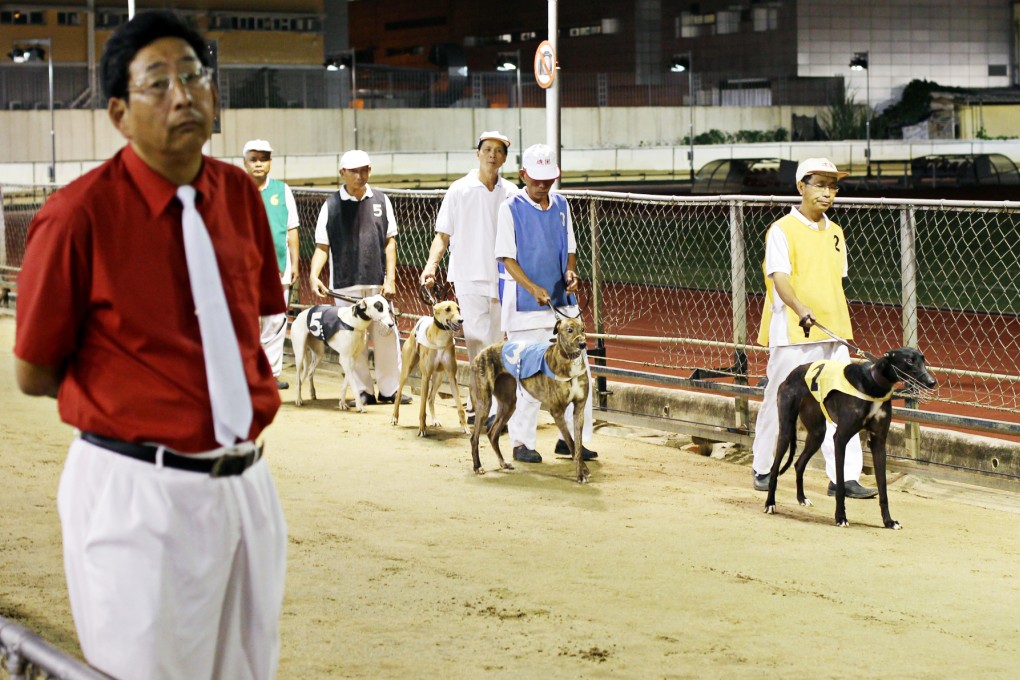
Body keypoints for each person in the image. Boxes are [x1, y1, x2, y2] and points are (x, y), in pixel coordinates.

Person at [13, 10, 287, 680]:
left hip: (247, 485)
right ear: (118, 113)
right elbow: (34, 369)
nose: (183, 96)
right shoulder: (77, 216)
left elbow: (250, 325)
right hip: (138, 490)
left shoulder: (239, 199)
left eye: (194, 77)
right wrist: (137, 398)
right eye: (158, 83)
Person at [751, 157, 877, 499]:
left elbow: (834, 282)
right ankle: (765, 467)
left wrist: (836, 322)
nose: (828, 193)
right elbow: (779, 278)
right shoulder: (781, 230)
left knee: (844, 403)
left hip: (833, 332)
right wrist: (799, 308)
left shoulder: (836, 232)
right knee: (782, 401)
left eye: (832, 186)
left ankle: (844, 476)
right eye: (820, 184)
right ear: (801, 186)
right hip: (793, 332)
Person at [494, 143, 597, 464]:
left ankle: (574, 440)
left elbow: (570, 248)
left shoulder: (562, 204)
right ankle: (521, 442)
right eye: (536, 179)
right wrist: (532, 286)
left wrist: (570, 272)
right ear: (523, 174)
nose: (542, 185)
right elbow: (506, 259)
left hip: (562, 303)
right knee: (530, 373)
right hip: (523, 305)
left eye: (548, 179)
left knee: (579, 372)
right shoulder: (510, 207)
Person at [420, 130, 518, 424]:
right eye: (487, 149)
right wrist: (431, 265)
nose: (492, 155)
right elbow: (443, 235)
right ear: (478, 153)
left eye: (498, 151)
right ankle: (478, 405)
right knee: (476, 343)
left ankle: (499, 407)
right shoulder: (459, 189)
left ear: (504, 158)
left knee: (498, 345)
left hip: (503, 277)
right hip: (468, 276)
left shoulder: (512, 193)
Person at [308, 149, 409, 405]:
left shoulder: (381, 200)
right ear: (342, 173)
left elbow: (390, 242)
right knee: (354, 341)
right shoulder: (330, 205)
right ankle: (361, 390)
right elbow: (322, 246)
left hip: (377, 284)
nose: (360, 175)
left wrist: (391, 279)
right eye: (354, 171)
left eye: (364, 169)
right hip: (344, 285)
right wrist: (313, 275)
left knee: (387, 335)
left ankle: (390, 390)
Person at [243, 138, 300, 390]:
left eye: (263, 159)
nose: (259, 164)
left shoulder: (282, 190)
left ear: (270, 163)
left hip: (278, 266)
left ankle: (270, 372)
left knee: (275, 321)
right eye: (254, 159)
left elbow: (292, 229)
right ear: (245, 162)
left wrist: (295, 262)